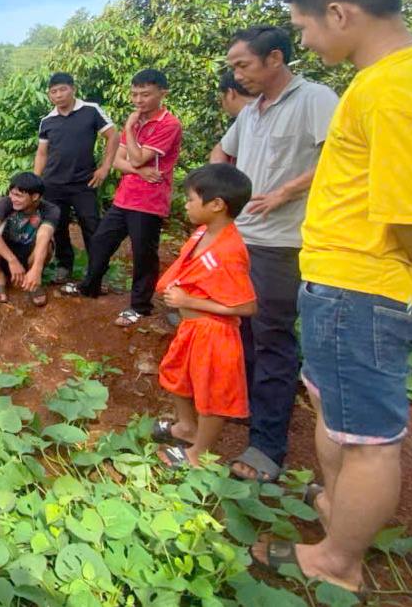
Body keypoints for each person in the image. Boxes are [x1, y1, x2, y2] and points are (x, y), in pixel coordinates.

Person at [250, 0, 412, 595]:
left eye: (306, 26)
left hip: (363, 285)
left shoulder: (392, 91)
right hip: (353, 284)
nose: (305, 39)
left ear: (340, 12)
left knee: (366, 438)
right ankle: (339, 512)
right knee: (336, 409)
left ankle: (339, 561)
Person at [209, 25, 339, 483]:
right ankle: (250, 408)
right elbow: (222, 153)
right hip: (242, 237)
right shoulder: (252, 113)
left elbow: (340, 157)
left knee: (272, 341)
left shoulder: (315, 100)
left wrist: (285, 191)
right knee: (240, 330)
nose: (237, 75)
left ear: (275, 58)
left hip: (282, 243)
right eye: (233, 68)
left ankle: (267, 446)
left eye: (242, 65)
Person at [151, 164, 256, 467]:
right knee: (175, 377)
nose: (185, 204)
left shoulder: (230, 251)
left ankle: (197, 453)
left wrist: (189, 299)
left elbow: (247, 306)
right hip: (192, 327)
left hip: (215, 332)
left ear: (216, 205)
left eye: (191, 199)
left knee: (212, 396)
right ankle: (186, 427)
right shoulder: (202, 233)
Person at [62, 69, 183, 326]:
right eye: (135, 94)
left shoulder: (168, 124)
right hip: (124, 197)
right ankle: (89, 286)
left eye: (145, 94)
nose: (139, 100)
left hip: (150, 202)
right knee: (101, 243)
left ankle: (139, 306)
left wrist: (128, 128)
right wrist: (138, 169)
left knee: (143, 255)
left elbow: (136, 157)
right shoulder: (137, 122)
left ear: (163, 93)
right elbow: (118, 160)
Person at [33, 72, 119, 284]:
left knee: (92, 226)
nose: (59, 95)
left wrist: (105, 168)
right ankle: (64, 266)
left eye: (63, 89)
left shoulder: (91, 110)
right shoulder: (47, 121)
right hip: (53, 184)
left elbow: (113, 135)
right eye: (54, 92)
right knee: (57, 226)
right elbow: (42, 153)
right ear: (49, 95)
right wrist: (36, 181)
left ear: (73, 89)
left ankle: (97, 271)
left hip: (84, 182)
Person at [0, 172, 59, 307]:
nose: (13, 198)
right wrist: (12, 260)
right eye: (11, 193)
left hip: (31, 254)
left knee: (47, 244)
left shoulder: (51, 210)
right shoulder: (6, 202)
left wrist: (37, 269)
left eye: (19, 196)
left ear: (35, 196)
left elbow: (44, 236)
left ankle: (33, 280)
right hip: (5, 252)